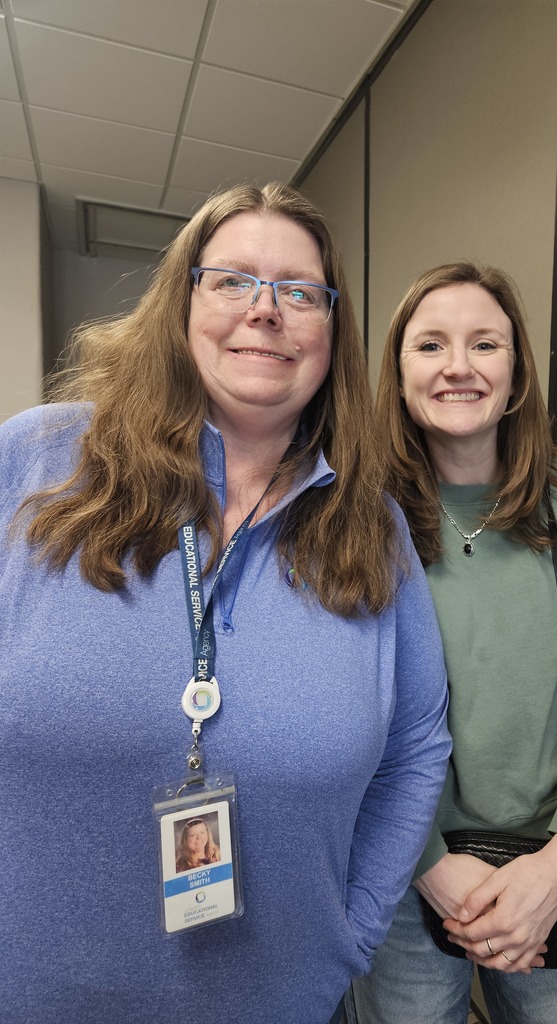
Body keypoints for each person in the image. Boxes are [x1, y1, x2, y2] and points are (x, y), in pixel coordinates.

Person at [1, 183, 450, 1024]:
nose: (265, 309)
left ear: (332, 332)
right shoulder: (37, 462)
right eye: (232, 280)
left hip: (278, 1000)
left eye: (300, 292)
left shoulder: (372, 527)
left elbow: (417, 747)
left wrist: (350, 936)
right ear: (181, 304)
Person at [345, 262, 557, 1024]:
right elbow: (339, 713)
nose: (458, 366)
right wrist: (429, 865)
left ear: (518, 370)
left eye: (484, 344)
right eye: (431, 345)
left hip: (553, 870)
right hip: (400, 872)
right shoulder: (353, 517)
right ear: (397, 373)